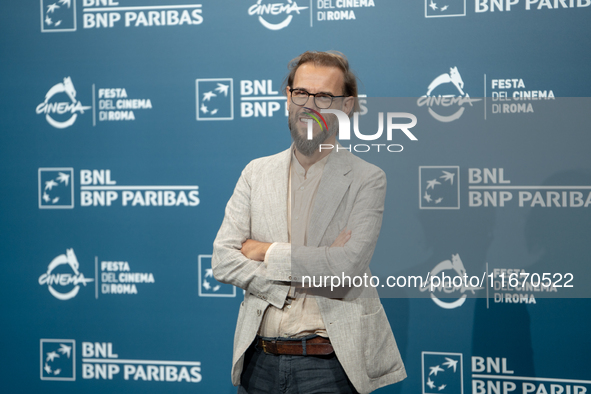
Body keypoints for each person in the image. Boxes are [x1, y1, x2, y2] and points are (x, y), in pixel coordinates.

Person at [212, 50, 405, 394]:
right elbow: (224, 260)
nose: (310, 105)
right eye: (301, 93)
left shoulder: (367, 178)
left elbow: (344, 271)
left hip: (329, 368)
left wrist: (264, 251)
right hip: (257, 364)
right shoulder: (256, 173)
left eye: (324, 97)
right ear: (288, 97)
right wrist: (300, 273)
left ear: (346, 106)